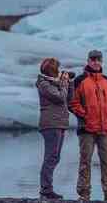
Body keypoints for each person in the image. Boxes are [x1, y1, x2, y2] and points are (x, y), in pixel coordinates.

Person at [70, 50, 107, 203]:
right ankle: (84, 195)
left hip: (106, 129)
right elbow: (72, 103)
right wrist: (85, 116)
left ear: (102, 61)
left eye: (98, 59)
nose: (96, 62)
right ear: (88, 61)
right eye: (93, 59)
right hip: (87, 129)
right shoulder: (80, 81)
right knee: (85, 161)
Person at [36, 57, 74, 200]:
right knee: (50, 157)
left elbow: (68, 99)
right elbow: (59, 97)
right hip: (51, 124)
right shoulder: (44, 83)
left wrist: (70, 83)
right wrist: (64, 82)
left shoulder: (55, 83)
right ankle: (46, 190)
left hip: (59, 123)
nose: (59, 71)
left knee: (55, 157)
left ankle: (47, 189)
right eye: (57, 69)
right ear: (52, 70)